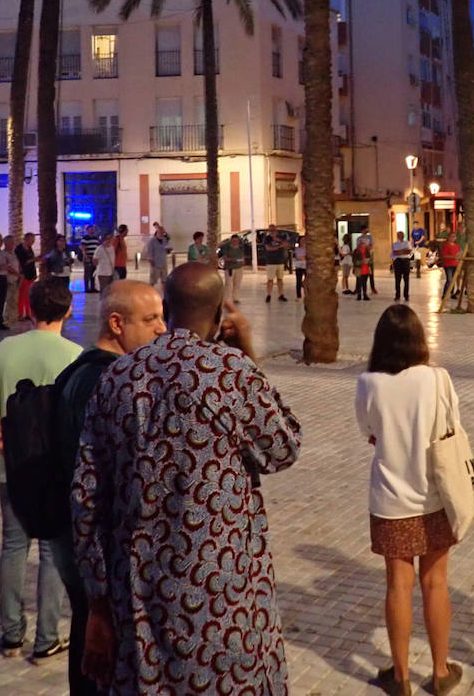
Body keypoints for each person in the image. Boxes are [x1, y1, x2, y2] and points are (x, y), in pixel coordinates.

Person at [72, 262, 302, 693]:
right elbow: (282, 447)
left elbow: (86, 496)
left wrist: (97, 602)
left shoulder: (118, 375)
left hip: (138, 595)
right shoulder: (231, 372)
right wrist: (245, 349)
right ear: (219, 314)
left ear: (167, 304)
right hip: (226, 599)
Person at [46, 281, 166, 696]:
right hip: (94, 549)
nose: (162, 330)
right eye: (150, 320)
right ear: (117, 323)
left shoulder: (90, 372)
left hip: (90, 546)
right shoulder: (102, 380)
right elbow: (95, 481)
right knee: (99, 642)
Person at [0, 277, 82, 660]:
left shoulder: (4, 350)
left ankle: (12, 633)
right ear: (67, 310)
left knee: (13, 547)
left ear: (30, 309)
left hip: (11, 468)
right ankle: (47, 636)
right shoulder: (73, 355)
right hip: (54, 469)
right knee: (52, 551)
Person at [355, 306, 464, 696]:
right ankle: (439, 671)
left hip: (390, 497)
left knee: (397, 586)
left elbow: (368, 431)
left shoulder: (368, 383)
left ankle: (400, 677)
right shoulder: (438, 379)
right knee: (436, 583)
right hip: (435, 495)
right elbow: (451, 424)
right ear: (420, 339)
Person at [15, 232, 38, 323]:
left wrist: (35, 272)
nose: (32, 242)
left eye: (33, 241)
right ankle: (20, 314)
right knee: (22, 295)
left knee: (28, 295)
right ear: (26, 239)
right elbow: (22, 262)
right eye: (31, 240)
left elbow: (31, 263)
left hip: (30, 274)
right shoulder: (19, 249)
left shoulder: (29, 248)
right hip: (23, 274)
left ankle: (28, 313)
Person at [263, 224, 289, 302]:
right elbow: (268, 248)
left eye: (273, 230)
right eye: (270, 230)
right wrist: (279, 246)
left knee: (280, 279)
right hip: (271, 262)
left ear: (276, 230)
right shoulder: (267, 238)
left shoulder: (282, 237)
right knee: (270, 279)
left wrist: (278, 240)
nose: (272, 232)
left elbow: (287, 244)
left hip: (280, 261)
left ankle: (281, 294)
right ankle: (269, 295)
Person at [219, 233, 247, 302]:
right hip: (230, 268)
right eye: (233, 241)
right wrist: (233, 260)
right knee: (229, 284)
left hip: (239, 268)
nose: (235, 242)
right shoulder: (227, 247)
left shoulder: (240, 247)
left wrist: (242, 262)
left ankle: (236, 298)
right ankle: (227, 299)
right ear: (231, 241)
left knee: (237, 283)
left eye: (236, 241)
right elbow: (224, 258)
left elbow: (242, 257)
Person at [145, 223, 172, 289]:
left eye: (163, 232)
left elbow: (166, 249)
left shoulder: (165, 240)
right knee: (152, 281)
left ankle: (165, 295)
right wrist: (150, 260)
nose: (162, 233)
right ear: (157, 232)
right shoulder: (152, 241)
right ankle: (150, 293)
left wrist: (168, 250)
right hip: (155, 263)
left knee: (164, 280)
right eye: (160, 231)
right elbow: (149, 252)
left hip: (163, 263)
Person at [392, 231, 413, 302]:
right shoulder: (395, 244)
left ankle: (406, 295)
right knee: (397, 280)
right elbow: (395, 252)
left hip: (406, 261)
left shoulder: (407, 243)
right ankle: (397, 295)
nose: (401, 236)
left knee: (406, 279)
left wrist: (400, 251)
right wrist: (404, 250)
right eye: (399, 235)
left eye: (402, 235)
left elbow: (409, 251)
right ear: (397, 236)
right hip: (398, 261)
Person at [80, 225, 101, 293]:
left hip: (94, 258)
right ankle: (86, 288)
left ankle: (92, 287)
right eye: (91, 229)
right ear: (88, 230)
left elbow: (97, 247)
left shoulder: (96, 238)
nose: (92, 230)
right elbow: (83, 248)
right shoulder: (85, 238)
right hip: (88, 258)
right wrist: (86, 256)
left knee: (93, 273)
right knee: (87, 273)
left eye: (93, 229)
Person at [440, 235, 461, 300]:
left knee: (453, 280)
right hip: (448, 265)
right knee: (449, 279)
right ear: (448, 237)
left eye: (454, 237)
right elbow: (444, 256)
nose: (453, 238)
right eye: (451, 236)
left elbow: (459, 253)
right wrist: (453, 257)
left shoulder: (457, 246)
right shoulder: (446, 246)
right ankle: (445, 293)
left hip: (455, 264)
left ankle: (452, 293)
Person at [354, 235, 374, 301]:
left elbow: (371, 260)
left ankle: (365, 295)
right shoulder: (356, 251)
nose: (364, 245)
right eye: (362, 243)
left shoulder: (367, 251)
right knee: (359, 282)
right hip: (359, 269)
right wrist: (361, 262)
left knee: (365, 283)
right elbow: (354, 261)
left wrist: (368, 261)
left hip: (366, 269)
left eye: (364, 243)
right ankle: (359, 295)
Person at [292, 235, 308, 299]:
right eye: (301, 240)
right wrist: (303, 257)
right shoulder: (297, 249)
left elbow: (308, 257)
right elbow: (297, 257)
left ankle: (307, 294)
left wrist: (302, 257)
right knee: (298, 281)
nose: (303, 241)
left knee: (307, 281)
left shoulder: (308, 249)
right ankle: (298, 295)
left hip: (306, 266)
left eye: (304, 240)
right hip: (299, 267)